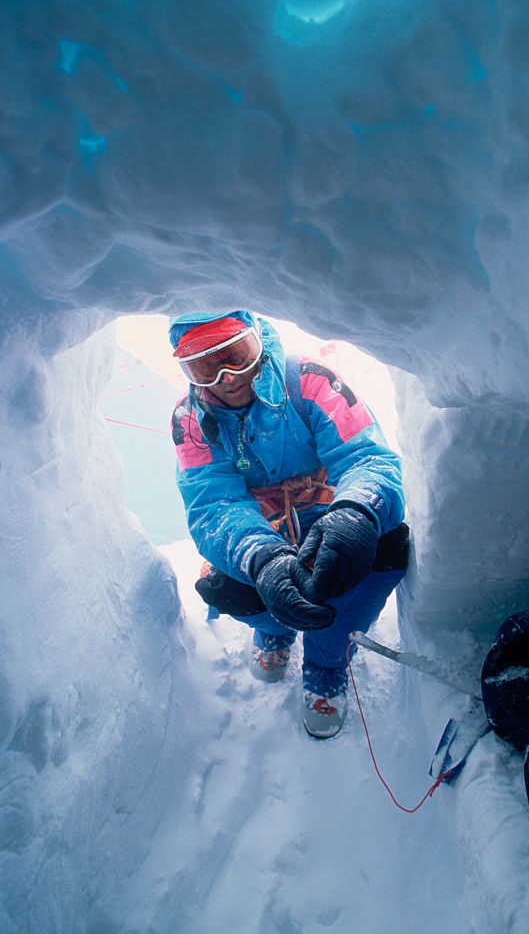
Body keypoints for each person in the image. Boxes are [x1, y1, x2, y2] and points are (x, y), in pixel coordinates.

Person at [168, 310, 408, 737]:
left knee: (381, 554)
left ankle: (326, 664)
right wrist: (261, 558)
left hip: (328, 519)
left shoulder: (310, 380)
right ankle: (273, 632)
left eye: (236, 355)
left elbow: (366, 457)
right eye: (205, 366)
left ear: (257, 342)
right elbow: (212, 504)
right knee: (231, 588)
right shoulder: (191, 420)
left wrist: (356, 513)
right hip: (261, 534)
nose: (226, 377)